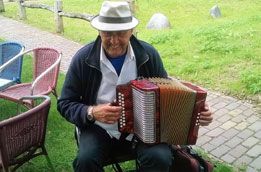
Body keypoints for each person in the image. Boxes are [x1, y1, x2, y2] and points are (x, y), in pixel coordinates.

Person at [57, 1, 213, 172]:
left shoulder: (148, 54)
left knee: (159, 157)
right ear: (99, 31)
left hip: (143, 130)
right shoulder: (83, 59)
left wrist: (197, 113)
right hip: (99, 129)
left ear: (131, 31)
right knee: (85, 161)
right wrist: (92, 112)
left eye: (121, 33)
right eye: (108, 33)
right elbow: (65, 103)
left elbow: (167, 95)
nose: (114, 41)